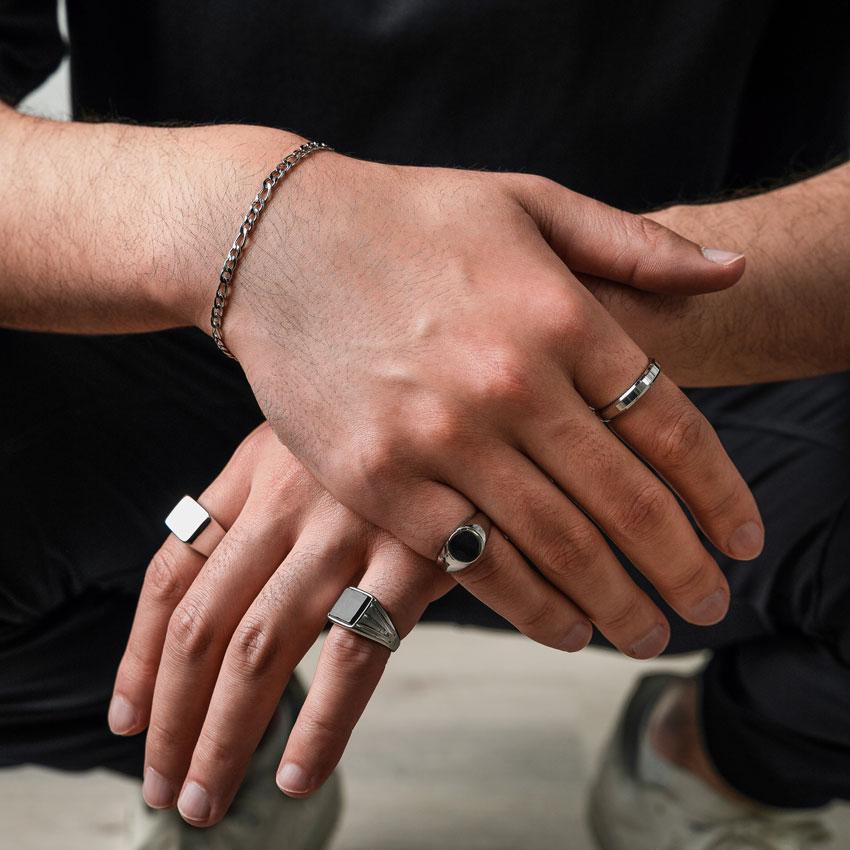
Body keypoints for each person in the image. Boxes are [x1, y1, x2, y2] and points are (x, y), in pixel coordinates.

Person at [1, 1, 848, 848]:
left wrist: (483, 346)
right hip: (203, 338)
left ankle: (720, 762)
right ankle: (213, 731)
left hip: (697, 364)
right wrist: (256, 228)